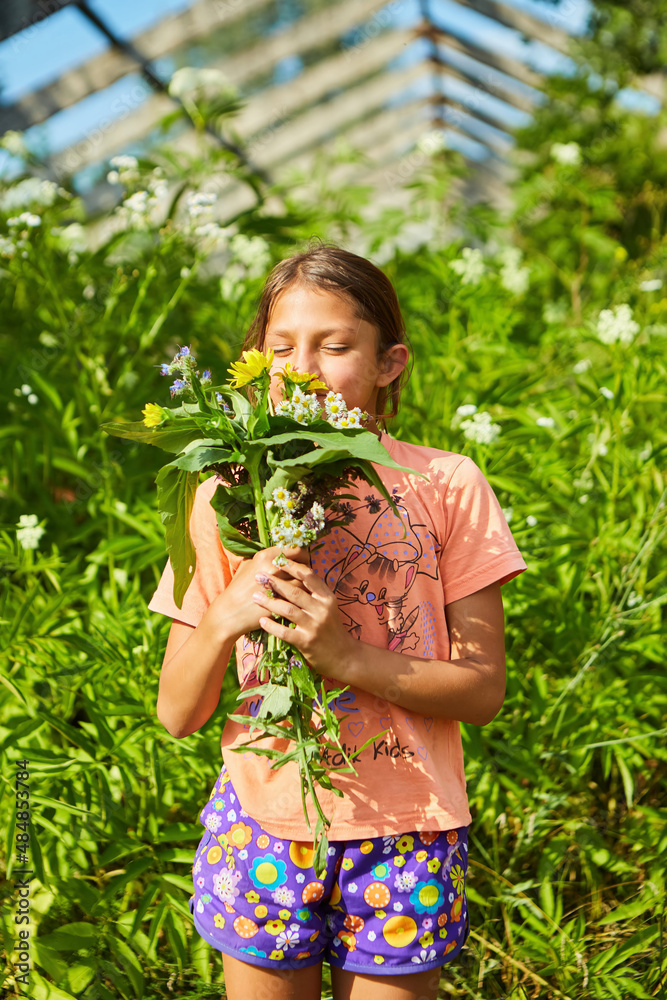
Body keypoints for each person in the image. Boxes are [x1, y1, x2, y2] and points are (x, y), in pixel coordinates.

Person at [148, 243, 527, 1000]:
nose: (301, 368)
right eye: (280, 348)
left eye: (334, 346)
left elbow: (483, 692)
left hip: (407, 832)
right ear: (253, 362)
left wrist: (345, 657)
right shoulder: (228, 492)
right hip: (262, 823)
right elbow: (176, 712)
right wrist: (224, 618)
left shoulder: (445, 485)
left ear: (390, 363)